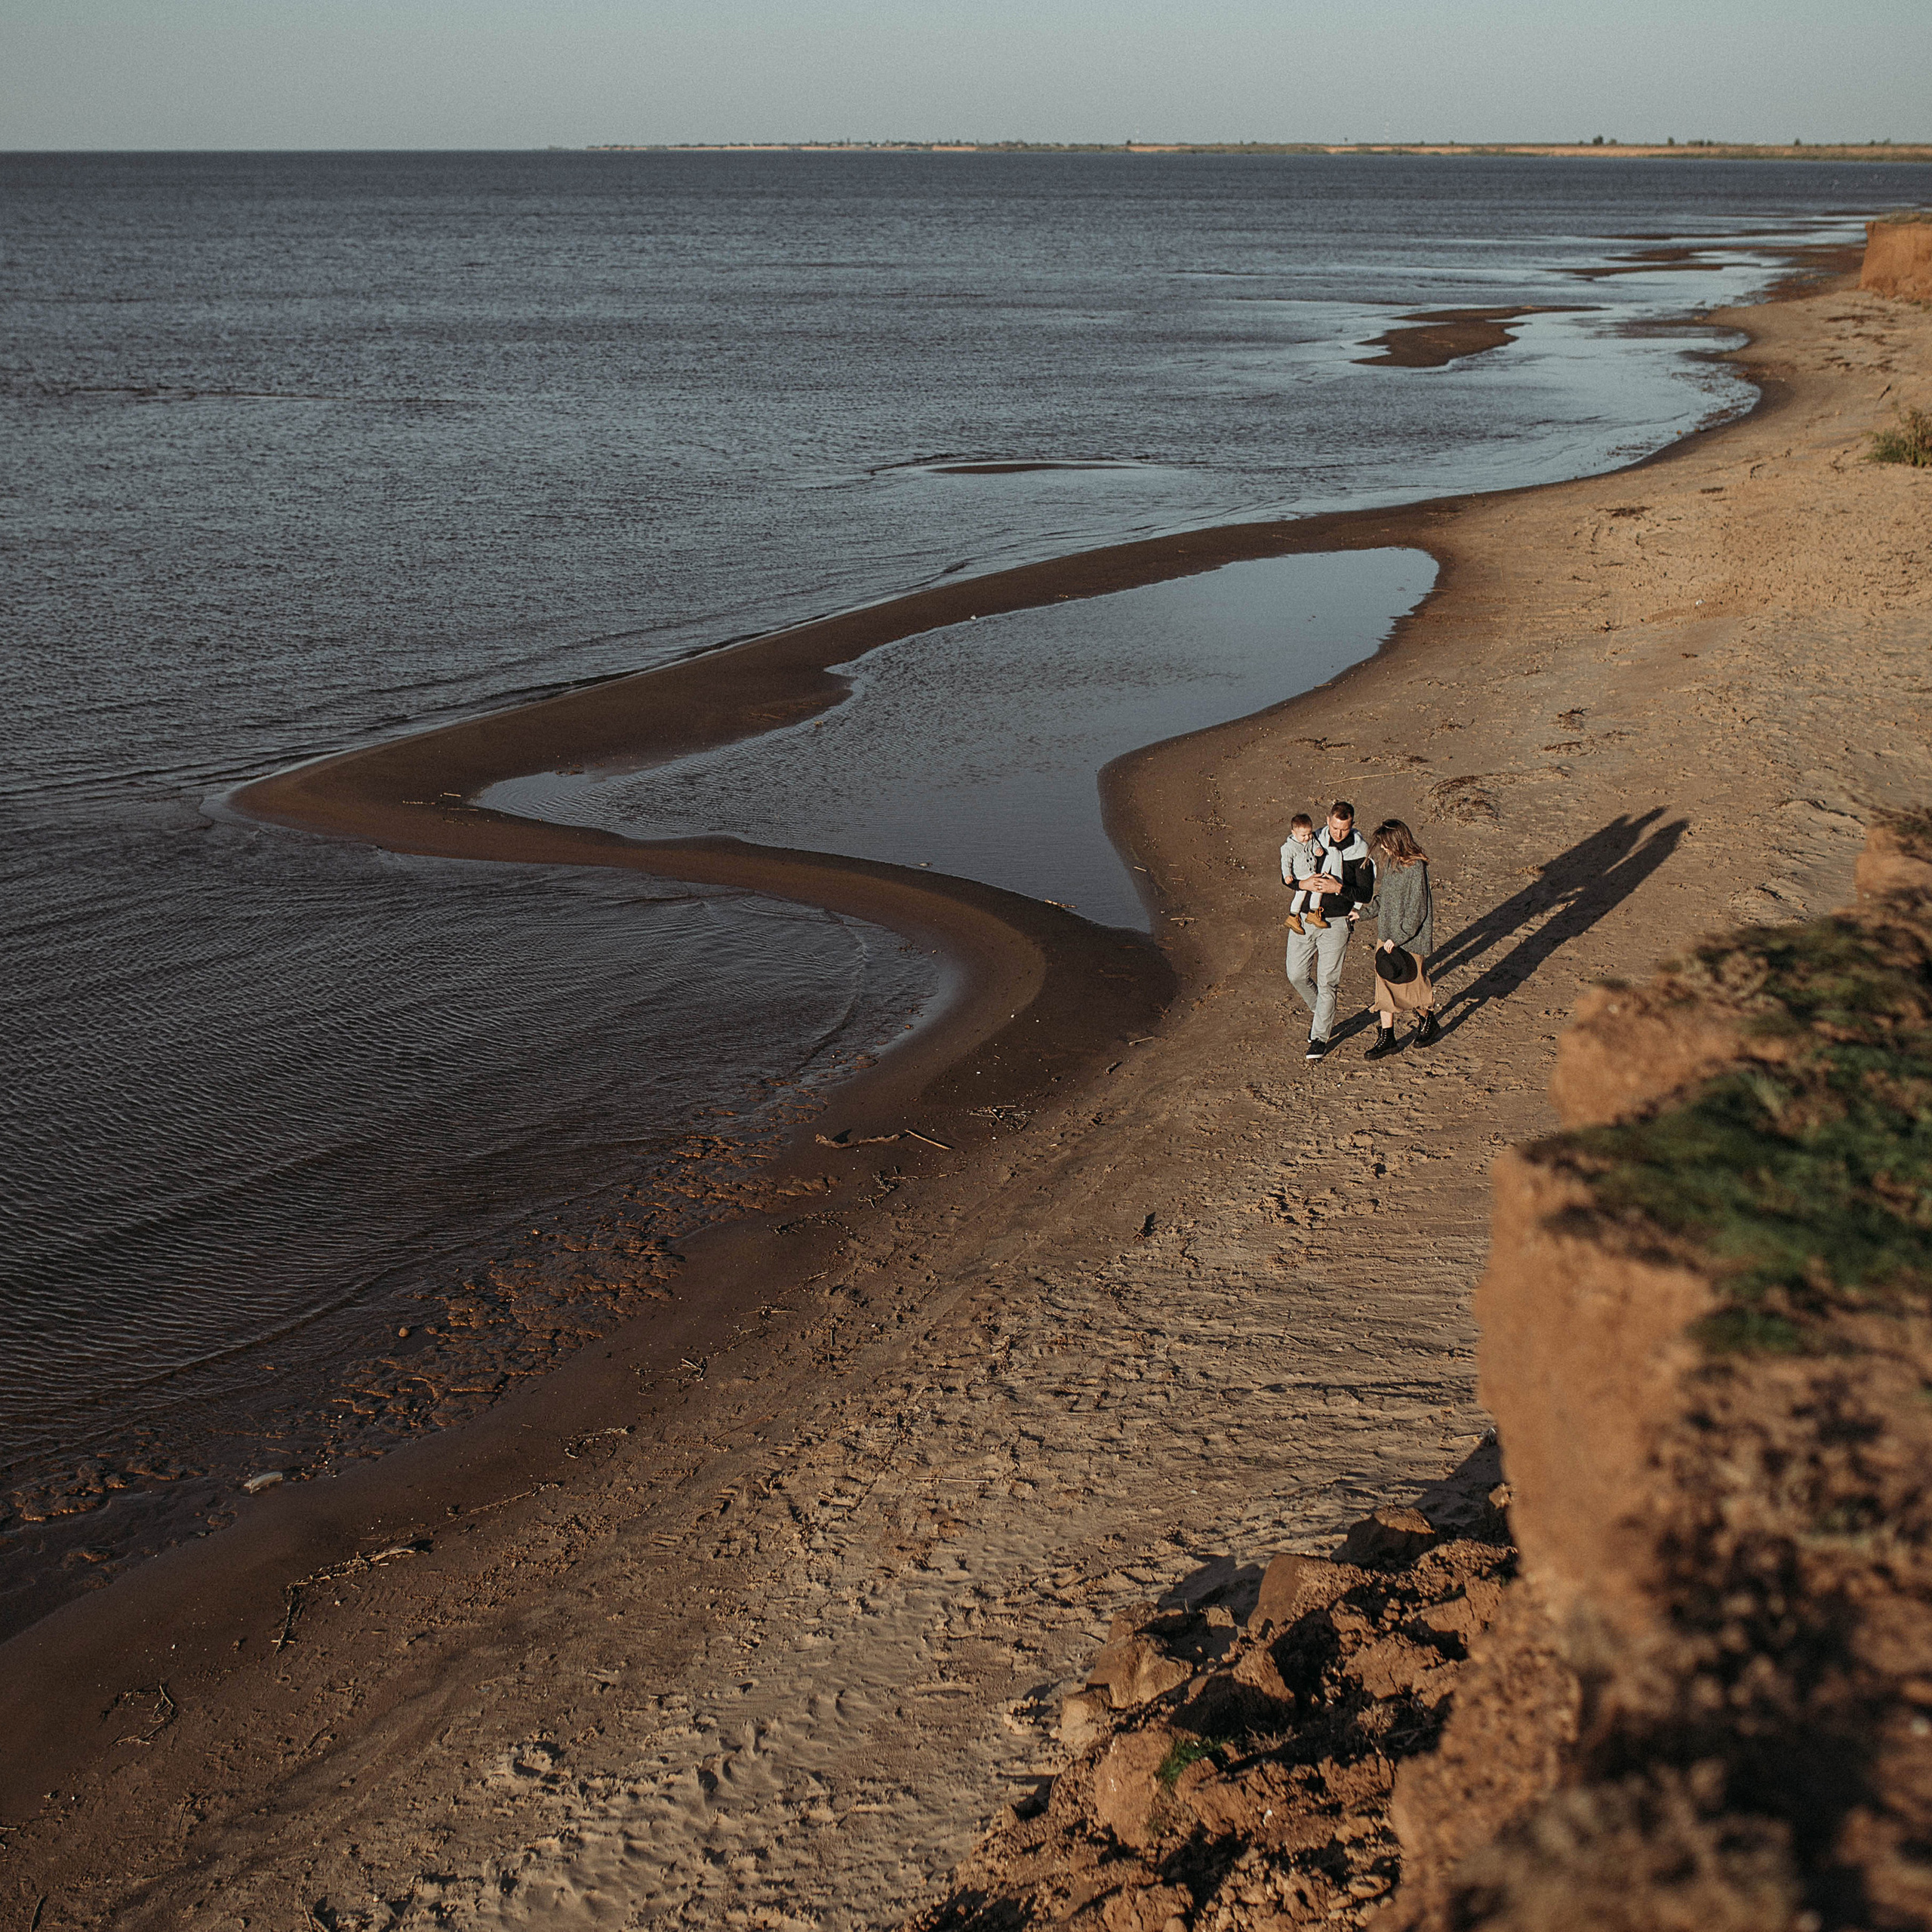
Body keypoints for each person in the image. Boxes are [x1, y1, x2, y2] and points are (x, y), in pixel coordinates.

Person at [1285, 801, 1375, 1062]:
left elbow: (1366, 893)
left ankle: (1320, 1038)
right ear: (1328, 820)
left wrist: (1338, 888)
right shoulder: (1311, 841)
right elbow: (1288, 872)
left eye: (1344, 830)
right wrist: (1302, 882)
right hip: (1303, 917)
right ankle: (1321, 1014)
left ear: (1352, 826)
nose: (1338, 834)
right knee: (1296, 974)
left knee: (1328, 982)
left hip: (1336, 923)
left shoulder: (1361, 852)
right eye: (1335, 828)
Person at [1363, 818, 1438, 1058]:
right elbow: (1383, 899)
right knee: (1384, 988)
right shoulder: (1393, 864)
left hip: (1408, 940)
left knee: (1413, 989)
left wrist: (1398, 937)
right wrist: (1361, 914)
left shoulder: (1416, 868)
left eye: (1386, 844)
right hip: (1387, 938)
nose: (1383, 849)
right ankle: (1388, 1037)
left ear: (1397, 842)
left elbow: (1418, 911)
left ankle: (1429, 1021)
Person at [1279, 812, 1328, 934]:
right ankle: (1311, 912)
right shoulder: (1288, 847)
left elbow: (1315, 845)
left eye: (1309, 834)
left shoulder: (1311, 840)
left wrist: (1318, 850)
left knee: (1302, 895)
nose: (1307, 837)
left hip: (1311, 871)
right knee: (1317, 888)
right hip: (1301, 874)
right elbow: (1286, 862)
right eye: (1303, 835)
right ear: (1293, 833)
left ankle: (1295, 915)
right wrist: (1287, 875)